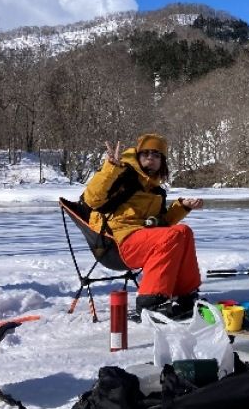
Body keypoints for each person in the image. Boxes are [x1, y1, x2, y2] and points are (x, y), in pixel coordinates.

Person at [83, 133, 204, 320]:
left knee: (183, 231)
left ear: (162, 162)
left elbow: (161, 224)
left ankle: (185, 296)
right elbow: (92, 199)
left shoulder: (156, 191)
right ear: (138, 156)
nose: (150, 158)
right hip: (113, 242)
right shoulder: (121, 175)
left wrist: (183, 206)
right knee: (172, 236)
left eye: (156, 155)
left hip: (139, 239)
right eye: (146, 153)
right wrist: (110, 168)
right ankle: (150, 303)